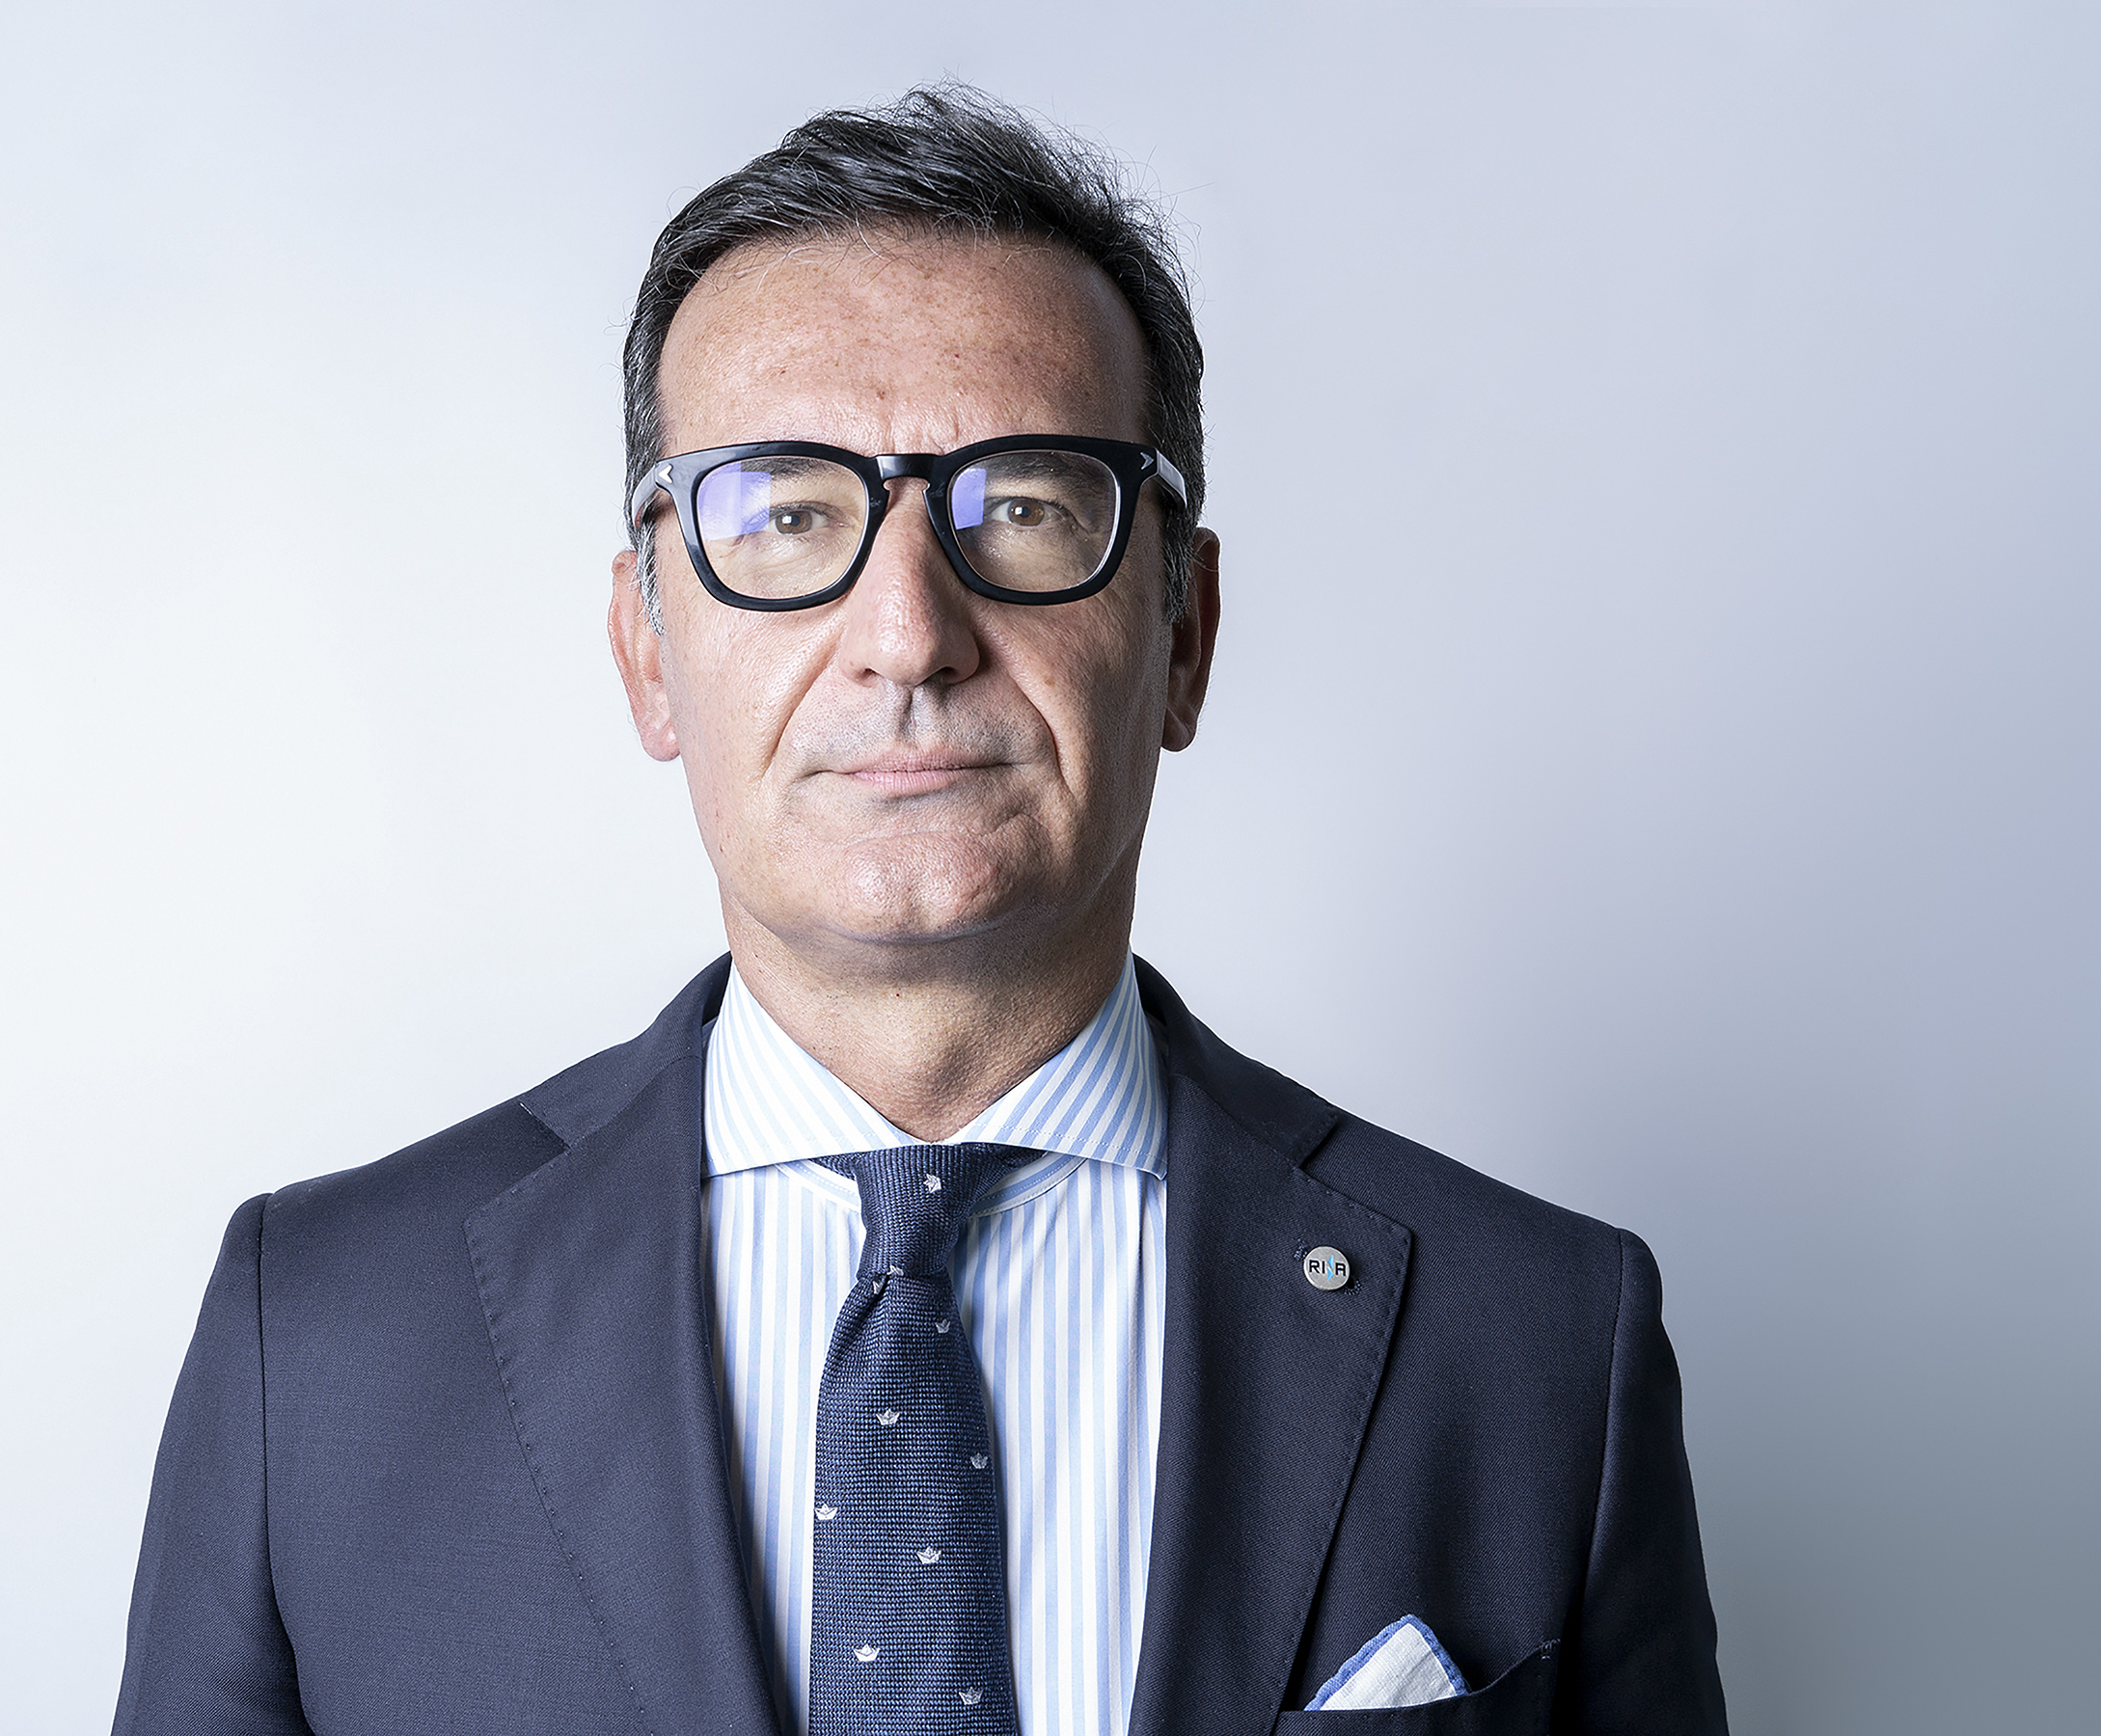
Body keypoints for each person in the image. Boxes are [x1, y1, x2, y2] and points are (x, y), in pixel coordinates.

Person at [112, 86, 1727, 1736]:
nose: (907, 633)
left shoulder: (1539, 1341)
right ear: (648, 649)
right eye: (786, 514)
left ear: (1183, 634)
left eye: (1022, 506)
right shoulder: (318, 1339)